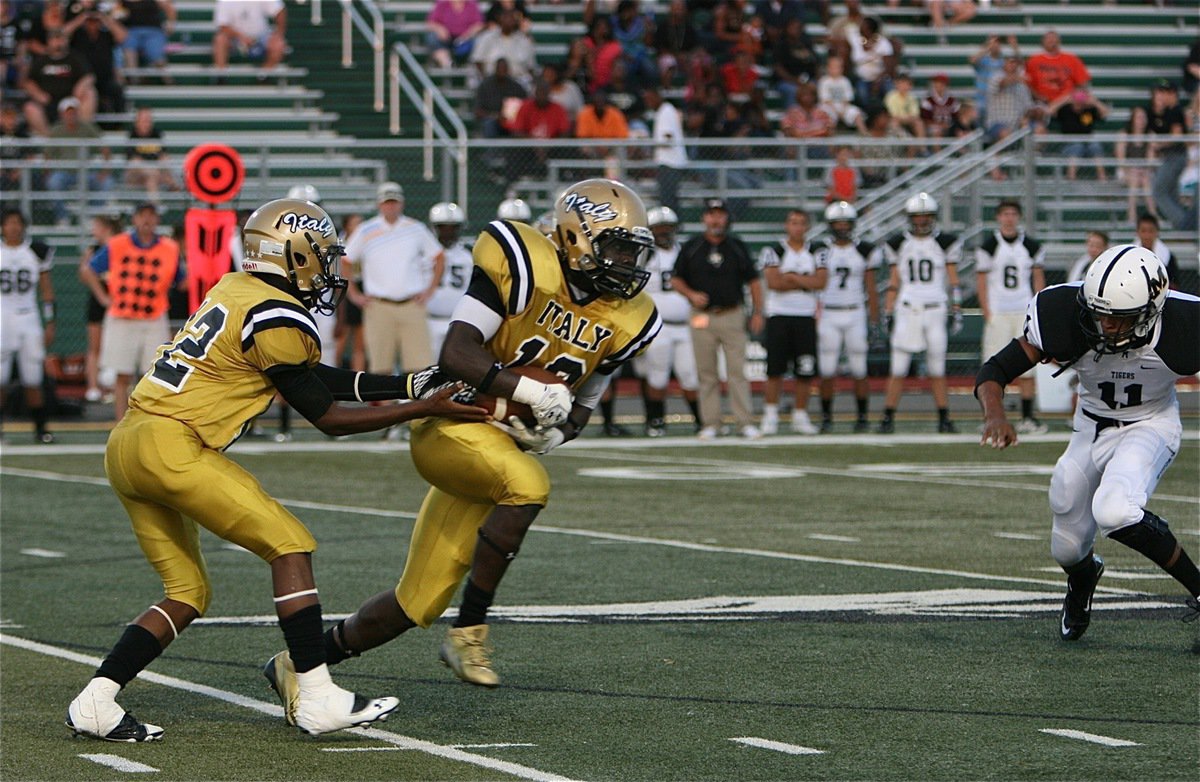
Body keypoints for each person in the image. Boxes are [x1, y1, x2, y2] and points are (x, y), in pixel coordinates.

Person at [65, 197, 488, 743]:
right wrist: (423, 408)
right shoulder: (277, 314)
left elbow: (311, 377)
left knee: (187, 590)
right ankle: (316, 695)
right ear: (294, 255)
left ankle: (96, 700)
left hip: (129, 442)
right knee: (289, 544)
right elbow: (328, 417)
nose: (330, 266)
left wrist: (407, 384)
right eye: (322, 255)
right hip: (174, 445)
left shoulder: (237, 290)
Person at [260, 180, 661, 699]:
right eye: (618, 247)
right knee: (529, 486)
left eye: (634, 249)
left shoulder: (629, 317)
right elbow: (456, 353)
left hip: (498, 448)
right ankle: (471, 630)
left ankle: (300, 661)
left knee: (415, 602)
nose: (628, 261)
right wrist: (523, 391)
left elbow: (581, 407)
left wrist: (553, 433)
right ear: (576, 238)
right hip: (451, 424)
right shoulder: (522, 264)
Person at [975, 245, 1200, 642]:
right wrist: (996, 415)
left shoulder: (1186, 323)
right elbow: (996, 369)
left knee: (1114, 510)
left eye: (1116, 320)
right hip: (1089, 427)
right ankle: (1083, 580)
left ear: (1151, 311)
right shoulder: (1065, 314)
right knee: (1065, 543)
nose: (1102, 326)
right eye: (1097, 314)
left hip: (1150, 424)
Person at [78, 202, 182, 420]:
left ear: (157, 220)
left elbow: (182, 280)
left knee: (153, 373)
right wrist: (103, 297)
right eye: (142, 215)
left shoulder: (169, 248)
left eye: (151, 216)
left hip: (154, 315)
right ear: (134, 219)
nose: (147, 220)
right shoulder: (118, 244)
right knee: (121, 374)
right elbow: (89, 270)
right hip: (122, 315)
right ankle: (120, 423)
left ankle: (148, 421)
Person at [672, 197, 763, 440]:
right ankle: (711, 422)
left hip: (732, 313)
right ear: (704, 218)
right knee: (706, 372)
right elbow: (676, 278)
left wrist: (757, 312)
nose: (716, 219)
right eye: (712, 214)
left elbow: (754, 281)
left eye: (720, 214)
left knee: (737, 372)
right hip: (702, 316)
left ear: (727, 218)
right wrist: (691, 294)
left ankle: (744, 422)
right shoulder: (692, 246)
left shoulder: (736, 246)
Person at [878, 192, 963, 434]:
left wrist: (956, 309)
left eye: (926, 216)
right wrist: (887, 310)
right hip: (907, 309)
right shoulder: (898, 243)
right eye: (918, 216)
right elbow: (894, 281)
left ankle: (944, 417)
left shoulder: (945, 243)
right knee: (898, 368)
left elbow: (953, 281)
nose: (922, 221)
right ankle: (887, 417)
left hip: (935, 308)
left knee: (937, 368)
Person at [345, 182, 443, 378]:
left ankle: (416, 408)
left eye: (394, 202)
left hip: (411, 304)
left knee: (420, 367)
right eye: (387, 202)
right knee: (381, 369)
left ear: (401, 204)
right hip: (379, 305)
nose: (390, 207)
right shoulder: (365, 230)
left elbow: (439, 257)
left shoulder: (415, 228)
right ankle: (387, 409)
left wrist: (430, 290)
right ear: (380, 204)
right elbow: (345, 260)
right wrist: (353, 294)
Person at [975, 200, 1047, 435]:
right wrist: (988, 311)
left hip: (1023, 311)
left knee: (1028, 368)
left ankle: (1028, 416)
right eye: (1005, 214)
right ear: (998, 217)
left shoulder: (1031, 246)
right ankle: (994, 416)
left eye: (1013, 214)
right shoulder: (989, 246)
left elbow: (1038, 279)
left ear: (1018, 217)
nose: (1009, 218)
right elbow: (982, 281)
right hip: (999, 311)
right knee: (994, 365)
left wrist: (1038, 307)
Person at [758, 209, 826, 436]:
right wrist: (806, 281)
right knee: (775, 369)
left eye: (801, 223)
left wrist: (792, 277)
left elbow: (822, 281)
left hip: (805, 316)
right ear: (787, 225)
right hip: (779, 314)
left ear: (807, 226)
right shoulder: (774, 250)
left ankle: (800, 415)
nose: (797, 227)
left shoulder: (817, 250)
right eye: (793, 222)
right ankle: (770, 415)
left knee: (805, 369)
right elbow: (774, 282)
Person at [815, 201, 880, 433]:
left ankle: (862, 417)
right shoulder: (819, 250)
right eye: (838, 223)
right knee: (827, 368)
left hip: (855, 311)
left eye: (846, 222)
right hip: (829, 312)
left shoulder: (865, 250)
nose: (842, 227)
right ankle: (826, 418)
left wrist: (874, 320)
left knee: (859, 368)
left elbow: (871, 288)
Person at [636, 206, 700, 436]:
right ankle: (655, 421)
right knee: (657, 375)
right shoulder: (645, 254)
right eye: (659, 228)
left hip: (685, 325)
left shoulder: (683, 251)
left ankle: (701, 421)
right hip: (658, 326)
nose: (663, 233)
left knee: (690, 376)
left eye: (667, 228)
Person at [0, 208, 56, 443]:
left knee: (33, 377)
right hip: (1, 317)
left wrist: (50, 321)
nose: (14, 227)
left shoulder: (36, 251)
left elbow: (46, 290)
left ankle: (40, 429)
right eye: (9, 223)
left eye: (17, 223)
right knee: (0, 379)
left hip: (29, 317)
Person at [43, 97, 111, 224]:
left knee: (106, 183)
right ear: (62, 114)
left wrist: (104, 171)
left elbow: (105, 148)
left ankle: (92, 217)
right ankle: (63, 218)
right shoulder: (56, 131)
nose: (71, 115)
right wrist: (48, 172)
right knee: (54, 182)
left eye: (73, 112)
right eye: (68, 112)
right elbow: (47, 154)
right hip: (64, 172)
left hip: (86, 171)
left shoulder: (87, 128)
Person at [79, 213, 122, 403]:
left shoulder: (121, 247)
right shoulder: (93, 250)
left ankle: (113, 386)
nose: (93, 231)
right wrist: (102, 297)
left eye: (96, 226)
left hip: (120, 303)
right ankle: (93, 386)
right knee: (94, 345)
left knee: (116, 345)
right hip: (99, 302)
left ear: (106, 227)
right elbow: (84, 275)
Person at [21, 28, 96, 135]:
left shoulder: (75, 58)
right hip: (48, 102)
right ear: (49, 41)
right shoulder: (40, 60)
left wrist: (80, 87)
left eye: (61, 39)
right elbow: (28, 82)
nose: (58, 43)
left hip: (71, 101)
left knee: (90, 93)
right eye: (55, 39)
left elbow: (89, 76)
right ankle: (50, 139)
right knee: (30, 107)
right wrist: (39, 94)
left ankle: (81, 134)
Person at [425, 201, 472, 358]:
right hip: (429, 318)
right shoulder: (423, 254)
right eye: (443, 227)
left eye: (452, 227)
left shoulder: (468, 255)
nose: (448, 232)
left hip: (459, 320)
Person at [1146, 79, 1193, 231]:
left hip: (1175, 156)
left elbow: (1177, 136)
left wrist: (1159, 144)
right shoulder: (1167, 111)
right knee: (1171, 192)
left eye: (1164, 92)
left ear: (1172, 94)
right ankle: (1183, 224)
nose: (1160, 95)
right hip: (1172, 156)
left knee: (1159, 191)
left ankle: (1183, 224)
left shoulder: (1175, 111)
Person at [63, 3, 126, 114]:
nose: (92, 23)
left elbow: (123, 36)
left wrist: (104, 18)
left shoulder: (106, 35)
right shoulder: (78, 36)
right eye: (90, 21)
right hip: (82, 79)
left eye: (95, 21)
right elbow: (63, 33)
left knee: (117, 90)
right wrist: (81, 18)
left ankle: (118, 123)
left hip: (105, 79)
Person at [211, 0, 287, 76]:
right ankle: (221, 75)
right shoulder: (224, 1)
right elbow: (222, 25)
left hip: (261, 38)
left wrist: (278, 34)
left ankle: (264, 75)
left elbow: (279, 10)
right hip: (235, 40)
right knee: (220, 39)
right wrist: (241, 37)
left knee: (278, 44)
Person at [1048, 88, 1109, 181]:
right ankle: (1071, 178)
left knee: (1095, 146)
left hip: (1088, 142)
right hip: (1068, 144)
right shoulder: (1065, 110)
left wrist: (1095, 102)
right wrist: (1064, 100)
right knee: (1077, 147)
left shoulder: (1090, 109)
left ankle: (1102, 178)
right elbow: (1049, 111)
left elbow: (1105, 113)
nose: (1079, 103)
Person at [645, 86, 686, 215]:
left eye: (651, 99)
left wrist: (648, 142)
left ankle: (674, 226)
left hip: (670, 162)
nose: (649, 103)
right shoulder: (664, 110)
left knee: (668, 200)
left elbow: (667, 138)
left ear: (658, 97)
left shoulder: (666, 110)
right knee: (668, 198)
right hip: (668, 162)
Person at [124, 107, 178, 201]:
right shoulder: (132, 135)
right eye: (143, 120)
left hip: (155, 175)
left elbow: (163, 156)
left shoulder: (157, 134)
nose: (146, 123)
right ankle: (173, 186)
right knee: (143, 168)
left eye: (148, 120)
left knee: (153, 176)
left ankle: (155, 206)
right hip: (135, 176)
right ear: (137, 122)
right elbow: (134, 160)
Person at [1024, 29, 1090, 107]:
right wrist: (1038, 97)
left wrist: (1075, 96)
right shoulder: (1033, 61)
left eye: (1054, 38)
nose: (1052, 41)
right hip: (1042, 101)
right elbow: (1027, 85)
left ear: (1059, 41)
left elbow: (1083, 83)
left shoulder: (1071, 59)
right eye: (1049, 39)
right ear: (1043, 42)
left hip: (1066, 102)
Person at [119, 0, 176, 82]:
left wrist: (170, 24)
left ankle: (169, 81)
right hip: (130, 31)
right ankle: (134, 80)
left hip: (153, 31)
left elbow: (169, 7)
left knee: (155, 54)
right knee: (129, 50)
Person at [1115, 106, 1154, 223]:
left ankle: (1153, 215)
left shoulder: (1150, 135)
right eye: (1139, 117)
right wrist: (1129, 170)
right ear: (1132, 119)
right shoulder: (1124, 134)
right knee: (1135, 179)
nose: (1141, 120)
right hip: (1126, 170)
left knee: (1145, 180)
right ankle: (1131, 216)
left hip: (1144, 171)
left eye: (1143, 117)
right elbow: (1120, 158)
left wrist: (1145, 169)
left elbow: (1151, 159)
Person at [425, 0, 484, 69]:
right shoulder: (442, 4)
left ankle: (464, 63)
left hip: (465, 40)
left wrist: (467, 35)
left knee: (478, 40)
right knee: (432, 38)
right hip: (446, 38)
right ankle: (447, 63)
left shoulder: (472, 4)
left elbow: (479, 24)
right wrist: (440, 29)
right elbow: (431, 23)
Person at [1132, 212, 1182, 289]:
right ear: (1137, 232)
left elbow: (1175, 285)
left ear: (1157, 232)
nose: (1147, 236)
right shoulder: (1129, 255)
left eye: (1151, 231)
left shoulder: (1167, 257)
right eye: (1143, 231)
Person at [920, 73, 960, 139]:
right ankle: (937, 149)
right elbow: (924, 120)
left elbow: (956, 117)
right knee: (936, 133)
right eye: (935, 83)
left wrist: (948, 125)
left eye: (938, 83)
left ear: (945, 85)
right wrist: (939, 125)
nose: (936, 85)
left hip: (949, 126)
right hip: (932, 127)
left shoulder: (952, 100)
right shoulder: (928, 100)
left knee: (959, 132)